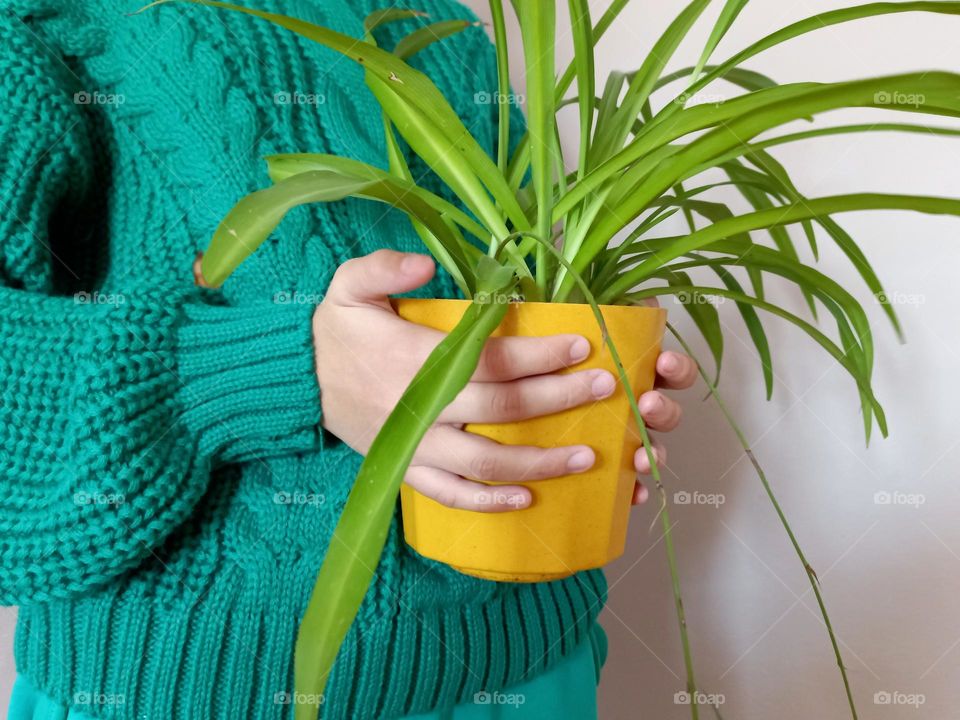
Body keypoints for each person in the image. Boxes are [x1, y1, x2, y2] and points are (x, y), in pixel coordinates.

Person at [0, 0, 696, 718]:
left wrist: (575, 368)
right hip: (189, 691)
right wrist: (292, 372)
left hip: (534, 666)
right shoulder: (53, 18)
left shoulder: (434, 18)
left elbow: (518, 268)